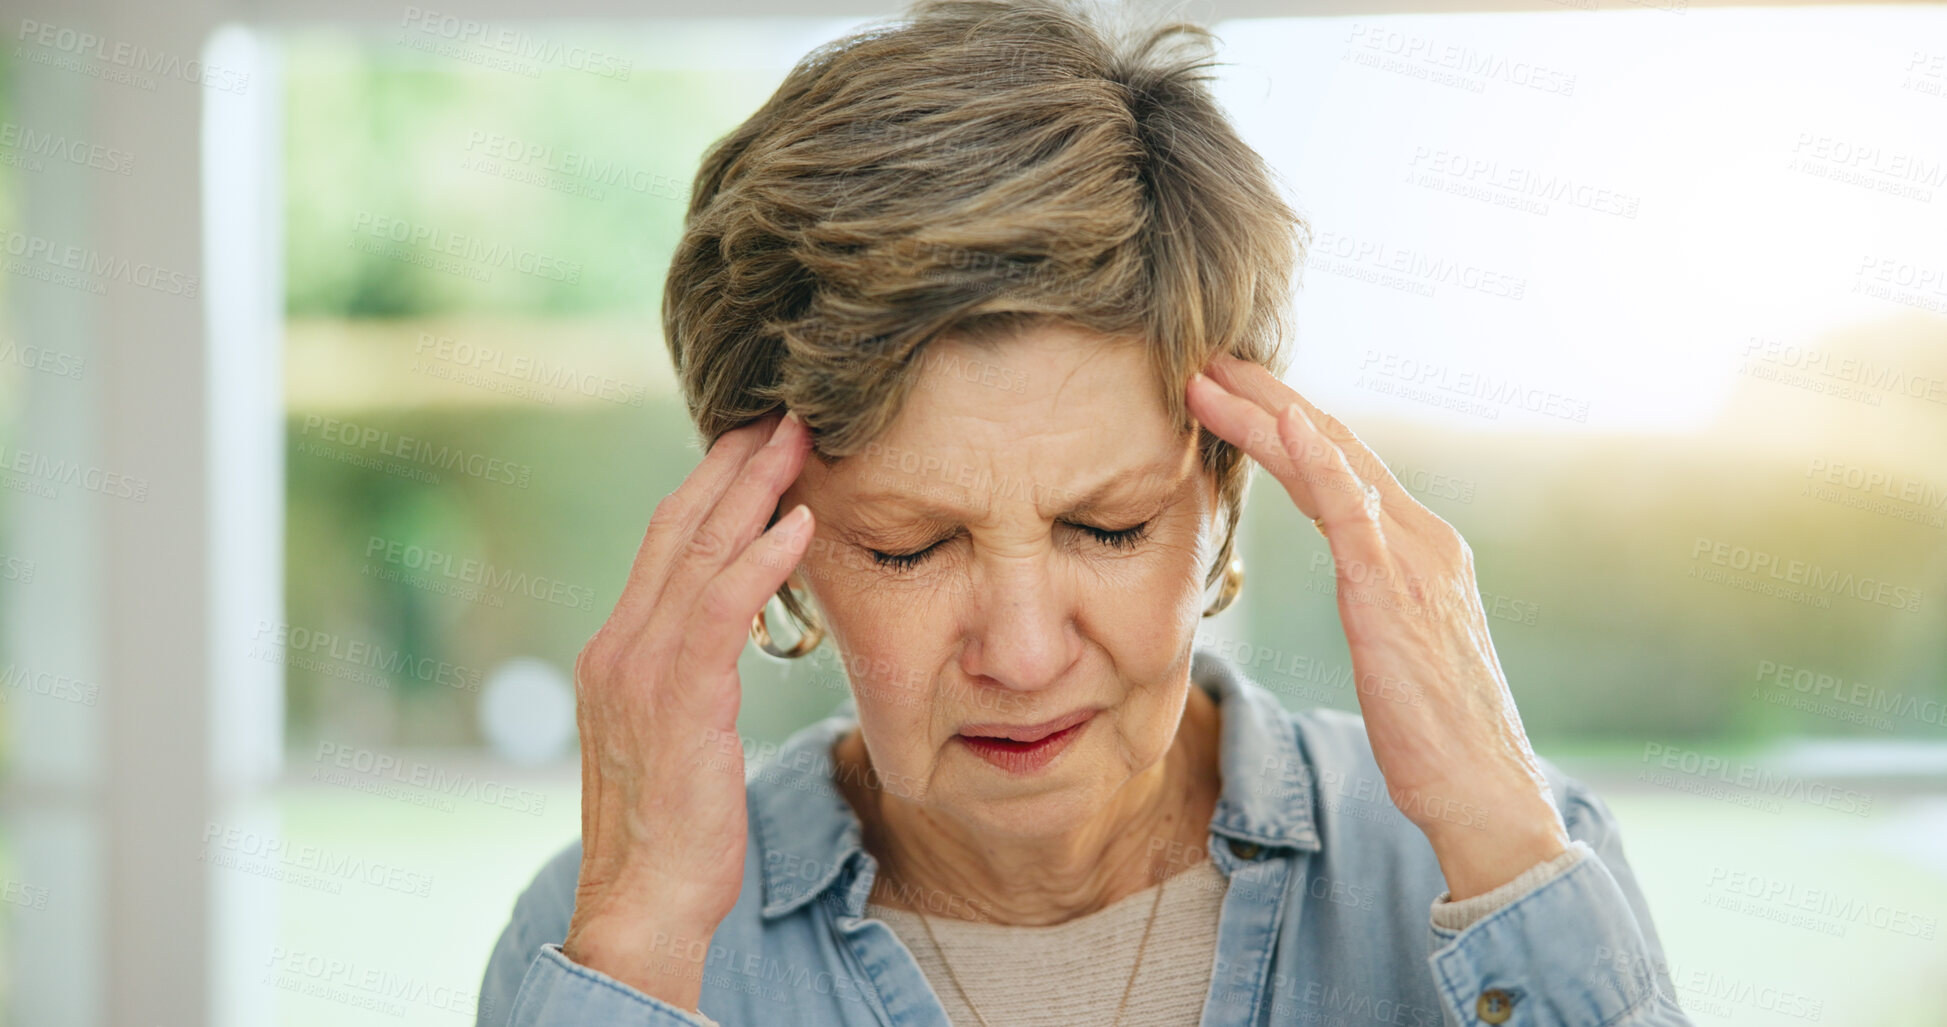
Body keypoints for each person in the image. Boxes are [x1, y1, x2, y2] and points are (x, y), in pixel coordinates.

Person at [478, 1, 1689, 1023]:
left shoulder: (1496, 871)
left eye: (1108, 527)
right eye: (910, 545)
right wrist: (634, 943)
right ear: (769, 543)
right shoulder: (607, 938)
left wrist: (1503, 839)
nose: (1022, 652)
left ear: (1222, 485)